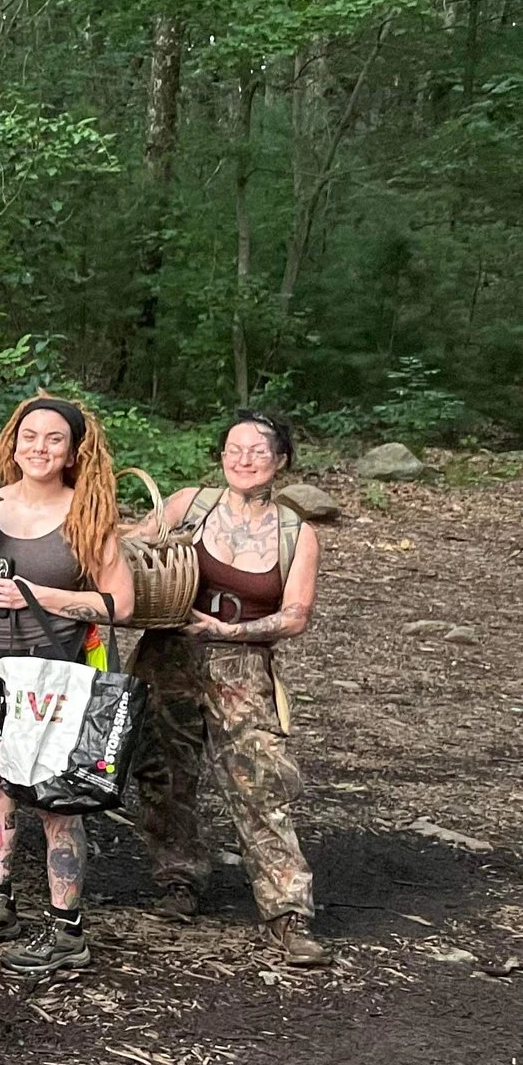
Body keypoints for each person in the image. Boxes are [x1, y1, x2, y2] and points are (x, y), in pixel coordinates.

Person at [0, 395, 136, 973]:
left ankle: (67, 930)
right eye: (29, 437)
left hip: (52, 671)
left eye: (53, 439)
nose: (39, 448)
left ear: (73, 450)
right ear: (13, 443)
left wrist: (45, 597)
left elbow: (120, 602)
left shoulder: (86, 516)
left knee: (55, 801)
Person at [126, 412, 331, 968]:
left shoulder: (296, 532)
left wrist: (229, 631)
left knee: (260, 781)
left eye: (258, 451)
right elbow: (128, 553)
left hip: (243, 667)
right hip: (169, 654)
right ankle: (178, 880)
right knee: (163, 772)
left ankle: (288, 910)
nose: (244, 459)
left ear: (280, 460)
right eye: (234, 449)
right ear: (221, 457)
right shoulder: (190, 505)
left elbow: (295, 616)